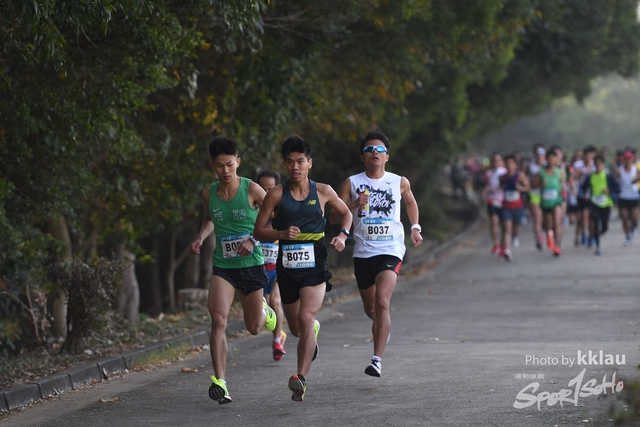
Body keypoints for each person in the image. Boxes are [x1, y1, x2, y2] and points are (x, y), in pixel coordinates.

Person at [253, 135, 352, 402]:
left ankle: (301, 379)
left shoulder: (323, 191)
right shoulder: (276, 194)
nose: (295, 167)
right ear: (285, 165)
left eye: (300, 161)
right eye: (290, 162)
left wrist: (343, 235)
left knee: (306, 318)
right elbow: (258, 231)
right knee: (297, 328)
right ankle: (310, 332)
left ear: (310, 163)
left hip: (315, 264)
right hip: (287, 267)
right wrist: (281, 233)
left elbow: (346, 213)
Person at [189, 136, 277, 405]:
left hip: (251, 265)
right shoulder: (209, 194)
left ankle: (266, 312)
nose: (225, 171)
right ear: (212, 166)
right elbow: (210, 219)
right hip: (223, 266)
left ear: (238, 162)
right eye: (220, 166)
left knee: (254, 327)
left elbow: (275, 219)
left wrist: (253, 240)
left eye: (230, 165)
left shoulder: (252, 190)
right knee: (218, 320)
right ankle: (221, 382)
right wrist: (201, 237)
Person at [332, 131, 422, 378]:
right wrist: (353, 204)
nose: (375, 153)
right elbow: (333, 216)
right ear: (362, 156)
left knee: (383, 303)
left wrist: (415, 227)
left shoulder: (398, 181)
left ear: (387, 157)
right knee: (371, 308)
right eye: (369, 149)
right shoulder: (351, 183)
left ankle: (376, 360)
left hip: (391, 250)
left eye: (380, 150)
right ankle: (382, 325)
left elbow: (410, 202)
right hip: (363, 253)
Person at [256, 169, 287, 360]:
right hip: (260, 270)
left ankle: (277, 342)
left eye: (271, 189)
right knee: (265, 309)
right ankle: (279, 333)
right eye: (263, 189)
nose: (267, 193)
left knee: (275, 300)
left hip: (279, 269)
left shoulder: (283, 213)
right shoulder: (253, 214)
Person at [582, 155, 619, 255]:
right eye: (596, 164)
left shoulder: (608, 175)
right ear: (594, 165)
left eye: (600, 164)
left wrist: (609, 190)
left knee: (605, 226)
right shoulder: (590, 176)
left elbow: (616, 187)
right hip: (594, 203)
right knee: (596, 223)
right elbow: (584, 187)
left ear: (603, 164)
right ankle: (598, 246)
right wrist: (585, 194)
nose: (598, 166)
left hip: (606, 203)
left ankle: (597, 235)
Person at [533, 149, 565, 256]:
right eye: (549, 158)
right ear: (546, 159)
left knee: (557, 222)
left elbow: (562, 185)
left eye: (553, 158)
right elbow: (534, 185)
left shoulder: (559, 172)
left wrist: (563, 190)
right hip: (546, 202)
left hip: (557, 201)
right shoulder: (541, 172)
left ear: (556, 159)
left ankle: (557, 246)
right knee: (548, 225)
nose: (551, 160)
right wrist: (541, 184)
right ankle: (549, 235)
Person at [499, 154, 530, 261]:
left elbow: (528, 188)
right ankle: (507, 250)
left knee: (516, 228)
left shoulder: (520, 175)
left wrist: (520, 188)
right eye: (507, 163)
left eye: (511, 163)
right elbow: (500, 188)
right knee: (507, 228)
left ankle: (515, 236)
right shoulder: (503, 177)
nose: (509, 165)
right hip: (506, 206)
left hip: (517, 206)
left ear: (515, 165)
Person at [482, 153, 506, 255]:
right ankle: (496, 244)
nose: (496, 162)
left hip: (503, 200)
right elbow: (487, 185)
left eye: (498, 160)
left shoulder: (505, 172)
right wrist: (484, 194)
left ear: (501, 162)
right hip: (492, 200)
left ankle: (503, 244)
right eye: (494, 161)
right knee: (494, 222)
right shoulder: (488, 173)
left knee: (504, 224)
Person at [615, 151, 639, 245]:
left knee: (634, 218)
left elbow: (638, 177)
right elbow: (614, 181)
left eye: (630, 159)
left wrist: (637, 179)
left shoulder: (635, 169)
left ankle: (633, 227)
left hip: (634, 196)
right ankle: (627, 237)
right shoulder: (619, 170)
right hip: (623, 196)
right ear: (623, 160)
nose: (628, 161)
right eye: (626, 159)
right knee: (624, 218)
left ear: (632, 159)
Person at [527, 144, 546, 250]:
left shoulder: (548, 164)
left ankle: (543, 232)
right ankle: (538, 238)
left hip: (546, 194)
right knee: (537, 217)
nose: (540, 154)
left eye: (542, 151)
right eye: (538, 152)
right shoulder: (531, 165)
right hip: (534, 194)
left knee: (545, 218)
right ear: (535, 154)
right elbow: (526, 178)